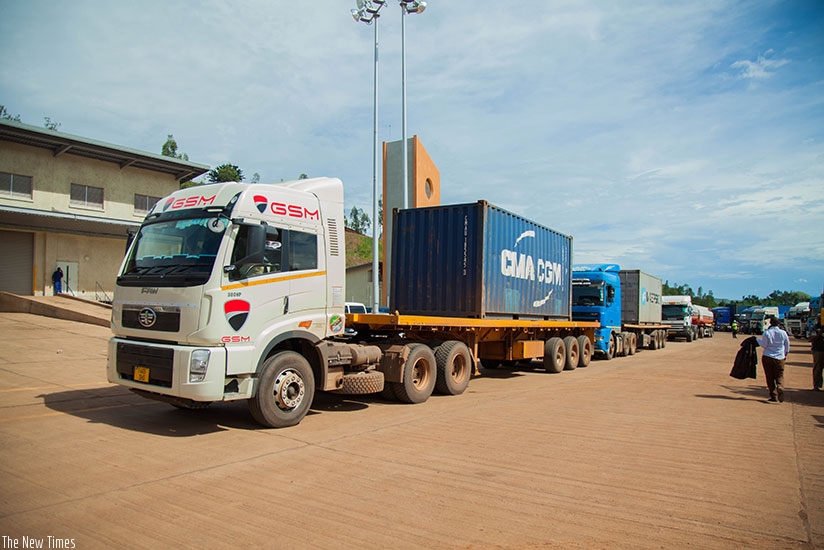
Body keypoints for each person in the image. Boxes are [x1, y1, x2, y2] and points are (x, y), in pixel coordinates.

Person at [756, 316, 790, 402]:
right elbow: (787, 345)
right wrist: (785, 355)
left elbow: (764, 345)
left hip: (768, 356)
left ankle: (773, 395)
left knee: (770, 377)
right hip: (780, 357)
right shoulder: (783, 333)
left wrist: (756, 339)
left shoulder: (767, 333)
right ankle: (780, 386)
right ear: (778, 323)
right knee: (779, 375)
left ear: (770, 323)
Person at [811, 322, 824, 392]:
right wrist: (820, 333)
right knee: (818, 368)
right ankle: (816, 385)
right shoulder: (816, 328)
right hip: (818, 350)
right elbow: (812, 338)